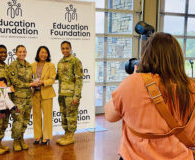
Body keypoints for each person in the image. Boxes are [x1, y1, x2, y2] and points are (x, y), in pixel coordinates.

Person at [105, 32, 195, 160]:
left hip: (135, 156)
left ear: (146, 56)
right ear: (178, 58)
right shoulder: (191, 87)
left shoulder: (133, 83)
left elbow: (110, 116)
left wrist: (132, 79)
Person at [9, 45, 36, 151]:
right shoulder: (13, 65)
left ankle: (21, 139)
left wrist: (34, 83)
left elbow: (31, 79)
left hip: (28, 98)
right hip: (17, 98)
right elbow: (14, 81)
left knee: (25, 120)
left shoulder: (29, 65)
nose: (22, 53)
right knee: (17, 120)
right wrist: (29, 85)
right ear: (16, 53)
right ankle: (16, 140)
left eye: (24, 51)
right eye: (20, 52)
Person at [56, 41, 83, 146]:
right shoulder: (60, 62)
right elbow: (57, 77)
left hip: (71, 95)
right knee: (64, 115)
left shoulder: (75, 61)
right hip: (62, 94)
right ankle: (66, 133)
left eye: (67, 48)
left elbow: (79, 80)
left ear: (71, 48)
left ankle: (71, 136)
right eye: (63, 48)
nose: (65, 50)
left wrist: (76, 96)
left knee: (71, 116)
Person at [31, 46, 56, 145]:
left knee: (47, 116)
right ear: (38, 54)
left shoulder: (51, 65)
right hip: (35, 93)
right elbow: (29, 78)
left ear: (48, 55)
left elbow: (52, 79)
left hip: (47, 93)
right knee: (36, 116)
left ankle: (46, 137)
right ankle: (38, 136)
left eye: (46, 53)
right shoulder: (32, 65)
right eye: (42, 52)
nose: (44, 55)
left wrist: (43, 82)